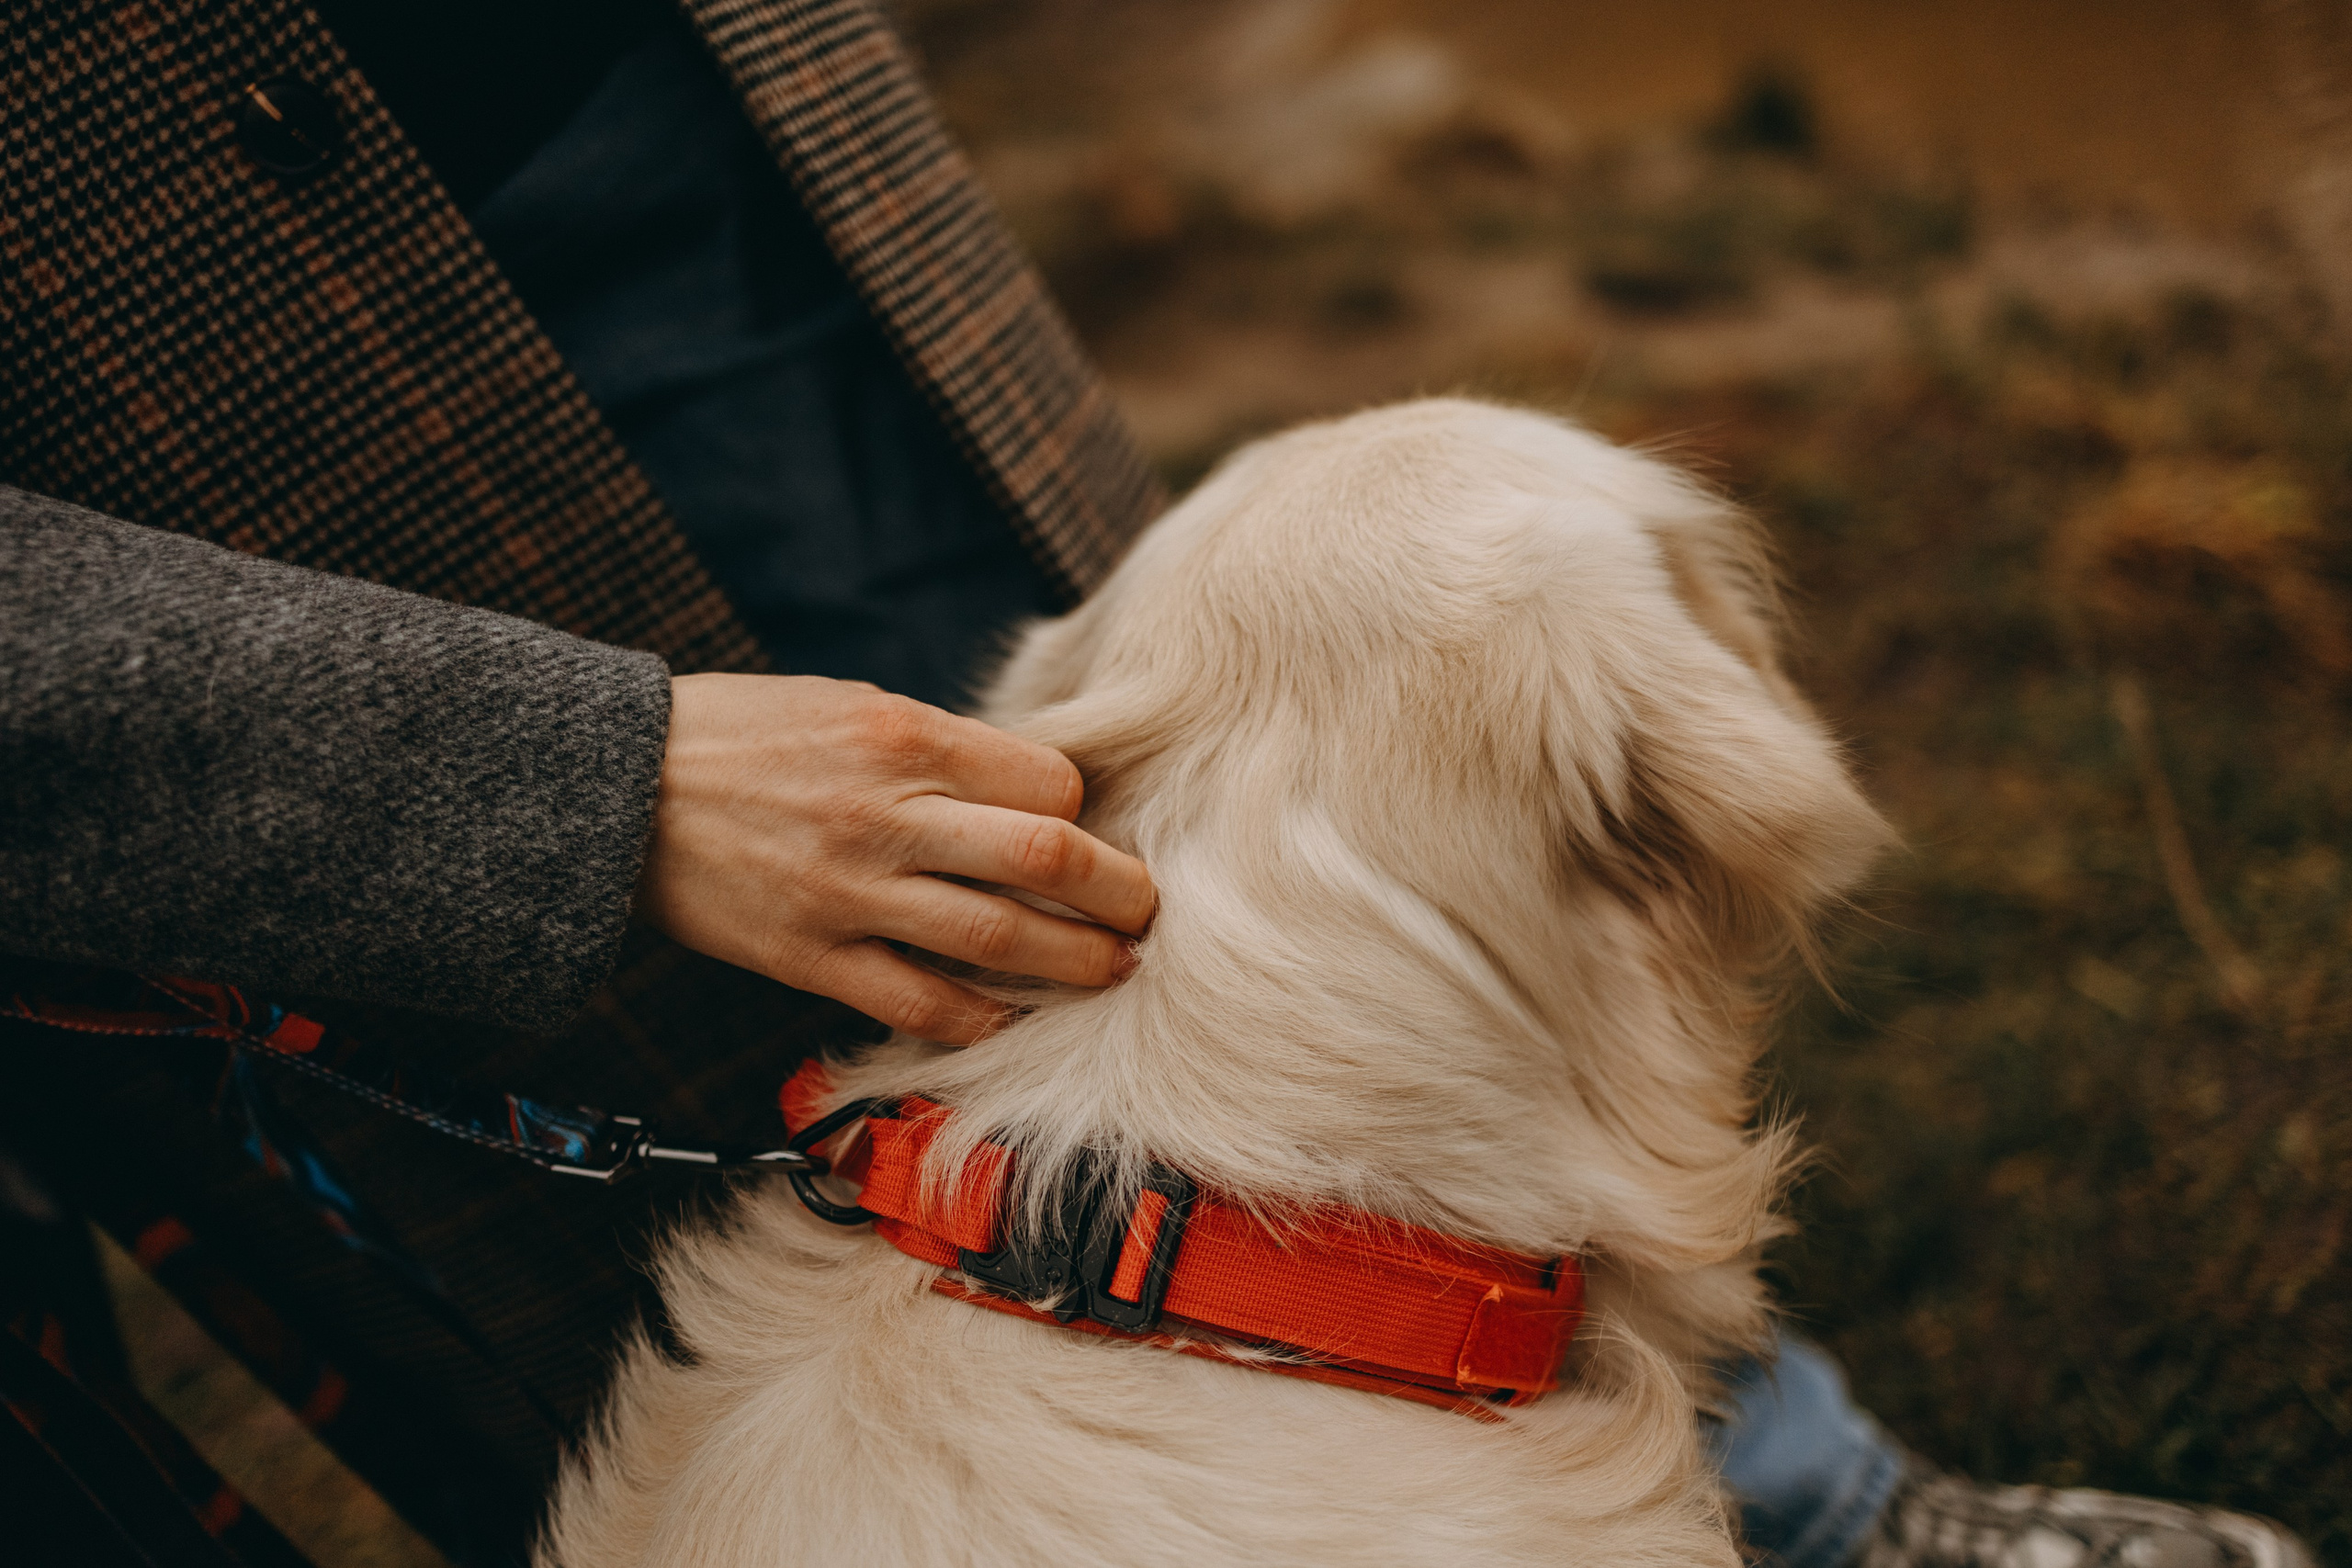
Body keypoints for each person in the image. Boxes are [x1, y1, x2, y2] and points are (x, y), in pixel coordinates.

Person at [0, 2, 2314, 1564]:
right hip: (164, 427)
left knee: (1260, 917)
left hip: (660, 107)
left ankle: (1793, 1480)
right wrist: (558, 780)